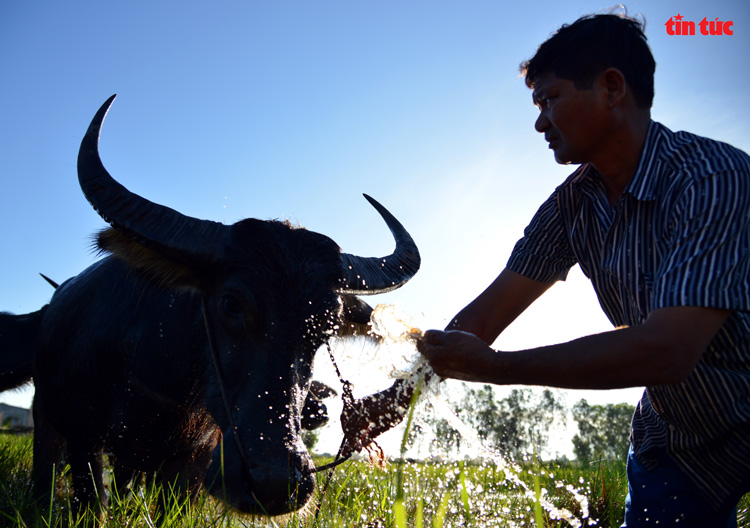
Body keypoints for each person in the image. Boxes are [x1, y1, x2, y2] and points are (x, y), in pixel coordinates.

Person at [416, 13, 750, 528]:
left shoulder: (712, 177)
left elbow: (668, 350)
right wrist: (391, 400)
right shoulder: (570, 206)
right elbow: (479, 321)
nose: (539, 122)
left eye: (549, 99)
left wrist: (497, 368)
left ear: (611, 88)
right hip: (679, 443)